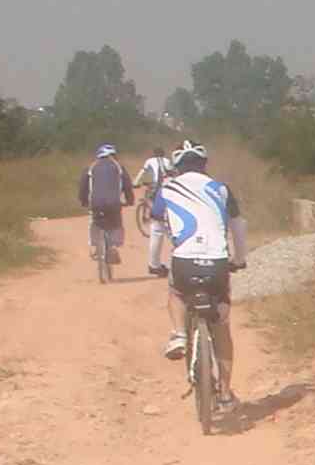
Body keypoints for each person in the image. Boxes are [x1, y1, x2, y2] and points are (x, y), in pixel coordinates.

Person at [151, 140, 244, 359]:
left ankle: (179, 335)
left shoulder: (166, 189)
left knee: (177, 293)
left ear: (176, 166)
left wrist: (153, 263)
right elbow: (238, 226)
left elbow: (156, 230)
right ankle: (225, 382)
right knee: (222, 318)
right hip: (217, 262)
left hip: (184, 262)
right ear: (204, 163)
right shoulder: (221, 189)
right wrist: (239, 259)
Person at [79, 145, 132, 270]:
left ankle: (94, 246)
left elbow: (83, 186)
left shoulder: (91, 167)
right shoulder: (119, 167)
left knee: (94, 222)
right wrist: (130, 200)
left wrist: (84, 201)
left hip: (96, 204)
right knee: (116, 224)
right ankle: (113, 246)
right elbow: (127, 185)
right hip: (114, 204)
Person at [134, 142, 174, 278]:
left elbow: (142, 172)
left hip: (156, 186)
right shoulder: (167, 161)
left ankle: (154, 264)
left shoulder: (150, 160)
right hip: (169, 185)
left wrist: (136, 182)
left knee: (157, 225)